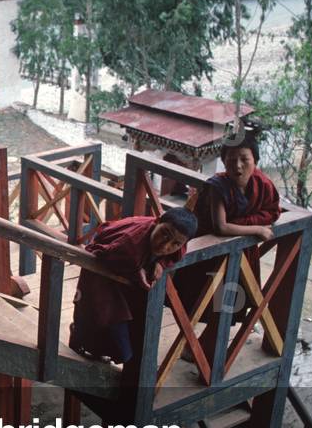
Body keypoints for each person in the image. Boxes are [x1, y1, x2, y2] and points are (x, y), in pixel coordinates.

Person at [179, 135, 282, 362]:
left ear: (255, 160)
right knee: (200, 301)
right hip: (209, 251)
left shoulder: (263, 185)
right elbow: (221, 226)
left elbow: (273, 213)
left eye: (244, 159)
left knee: (229, 303)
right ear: (223, 162)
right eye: (231, 160)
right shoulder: (217, 186)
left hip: (241, 256)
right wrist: (256, 228)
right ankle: (188, 345)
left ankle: (204, 349)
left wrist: (248, 224)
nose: (238, 166)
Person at [69, 207, 198, 364]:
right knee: (102, 325)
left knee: (124, 340)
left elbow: (176, 253)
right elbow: (93, 250)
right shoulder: (129, 244)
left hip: (124, 288)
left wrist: (161, 263)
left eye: (175, 243)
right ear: (157, 221)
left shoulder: (177, 243)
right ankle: (78, 338)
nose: (166, 246)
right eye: (164, 234)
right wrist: (136, 271)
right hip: (99, 280)